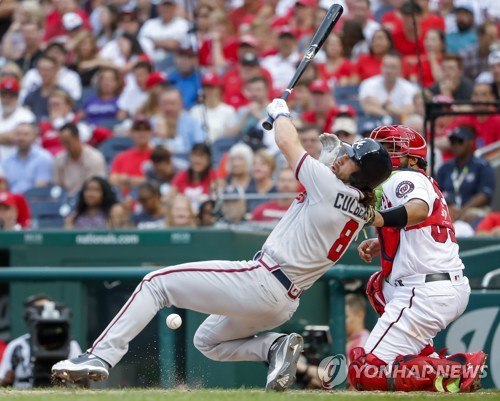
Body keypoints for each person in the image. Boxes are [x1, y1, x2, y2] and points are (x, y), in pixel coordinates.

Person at [51, 98, 393, 391]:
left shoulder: (329, 188)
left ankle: (100, 355)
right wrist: (331, 162)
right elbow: (327, 193)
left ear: (359, 173)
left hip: (263, 279)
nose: (341, 157)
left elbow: (288, 144)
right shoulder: (363, 207)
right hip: (285, 303)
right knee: (207, 341)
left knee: (156, 284)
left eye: (348, 158)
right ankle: (274, 345)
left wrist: (282, 113)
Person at [349, 125, 486, 392]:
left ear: (412, 158)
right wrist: (382, 240)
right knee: (378, 287)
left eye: (390, 148)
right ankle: (431, 361)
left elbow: (418, 210)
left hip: (426, 291)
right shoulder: (406, 180)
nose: (381, 153)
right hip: (438, 285)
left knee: (365, 372)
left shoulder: (404, 176)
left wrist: (378, 219)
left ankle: (457, 369)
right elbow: (424, 227)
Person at [0, 294, 82, 388]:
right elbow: (2, 380)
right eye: (39, 310)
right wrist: (7, 380)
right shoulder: (17, 346)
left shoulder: (69, 344)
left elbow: (82, 383)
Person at [436, 126, 495, 226]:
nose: (456, 145)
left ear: (470, 142)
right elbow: (436, 193)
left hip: (473, 210)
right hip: (448, 209)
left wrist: (462, 210)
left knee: (472, 216)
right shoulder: (444, 168)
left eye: (460, 141)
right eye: (453, 141)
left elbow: (485, 194)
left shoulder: (482, 165)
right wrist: (448, 208)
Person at [53, 122, 106, 197]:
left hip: (88, 201)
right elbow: (58, 187)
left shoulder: (95, 158)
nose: (65, 146)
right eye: (63, 143)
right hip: (66, 201)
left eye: (68, 142)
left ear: (77, 138)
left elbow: (95, 188)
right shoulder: (59, 159)